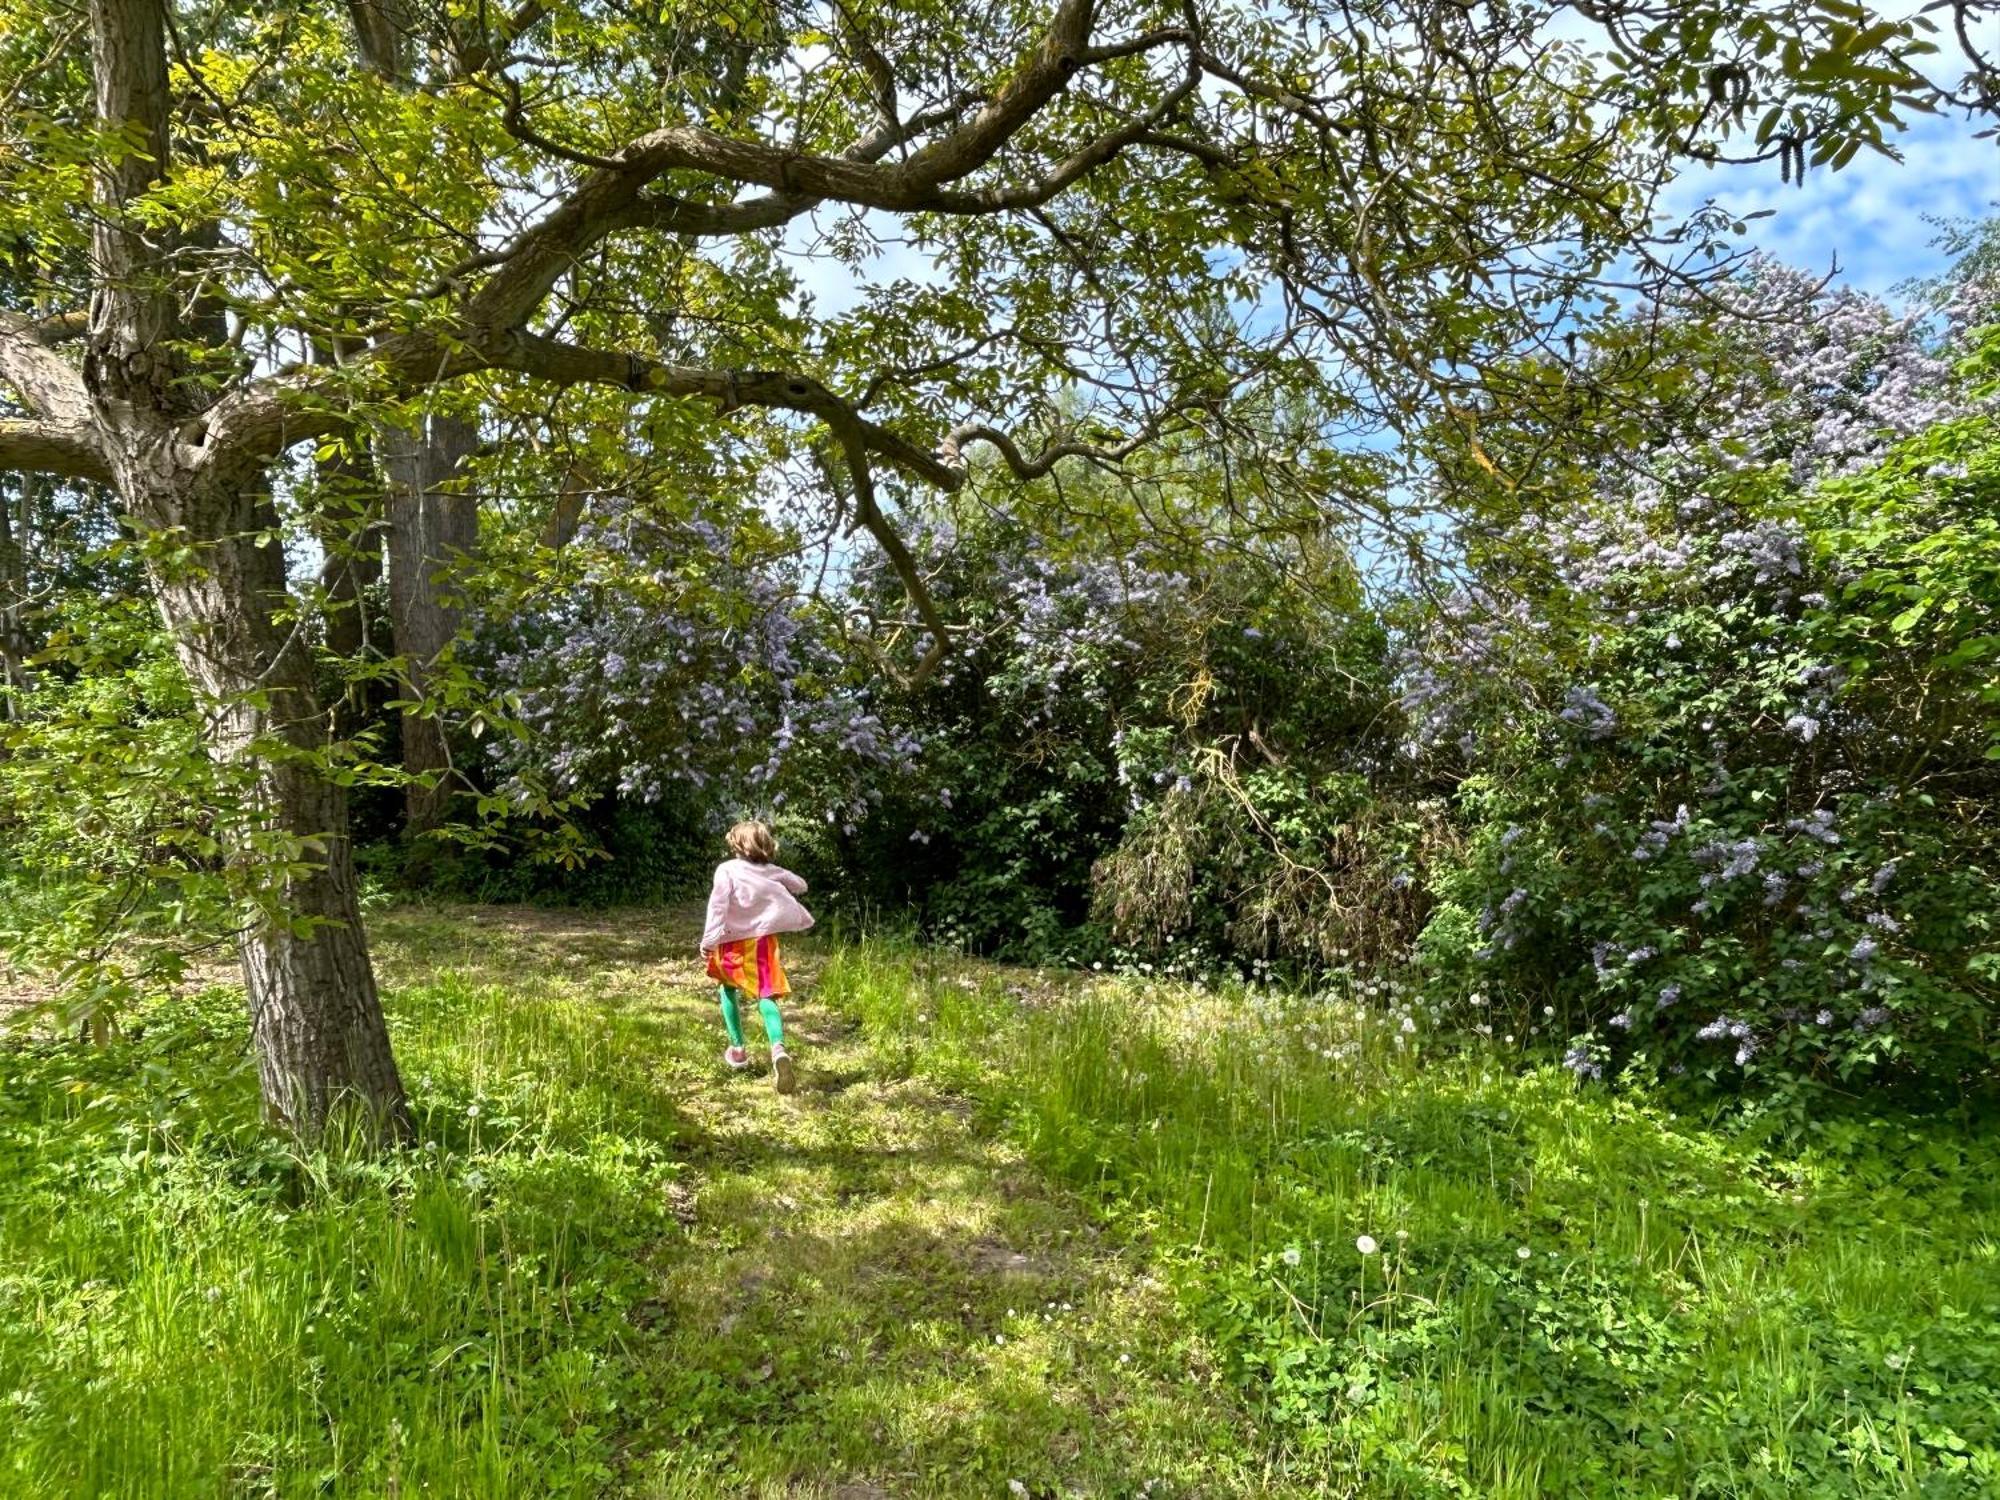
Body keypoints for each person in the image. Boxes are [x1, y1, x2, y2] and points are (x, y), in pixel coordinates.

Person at [700, 819, 814, 1093]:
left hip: (732, 944)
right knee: (767, 994)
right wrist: (780, 876)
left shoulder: (726, 869)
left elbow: (718, 906)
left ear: (736, 844)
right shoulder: (770, 870)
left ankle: (738, 1048)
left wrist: (709, 940)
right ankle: (777, 1048)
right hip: (763, 943)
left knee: (727, 989)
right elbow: (801, 885)